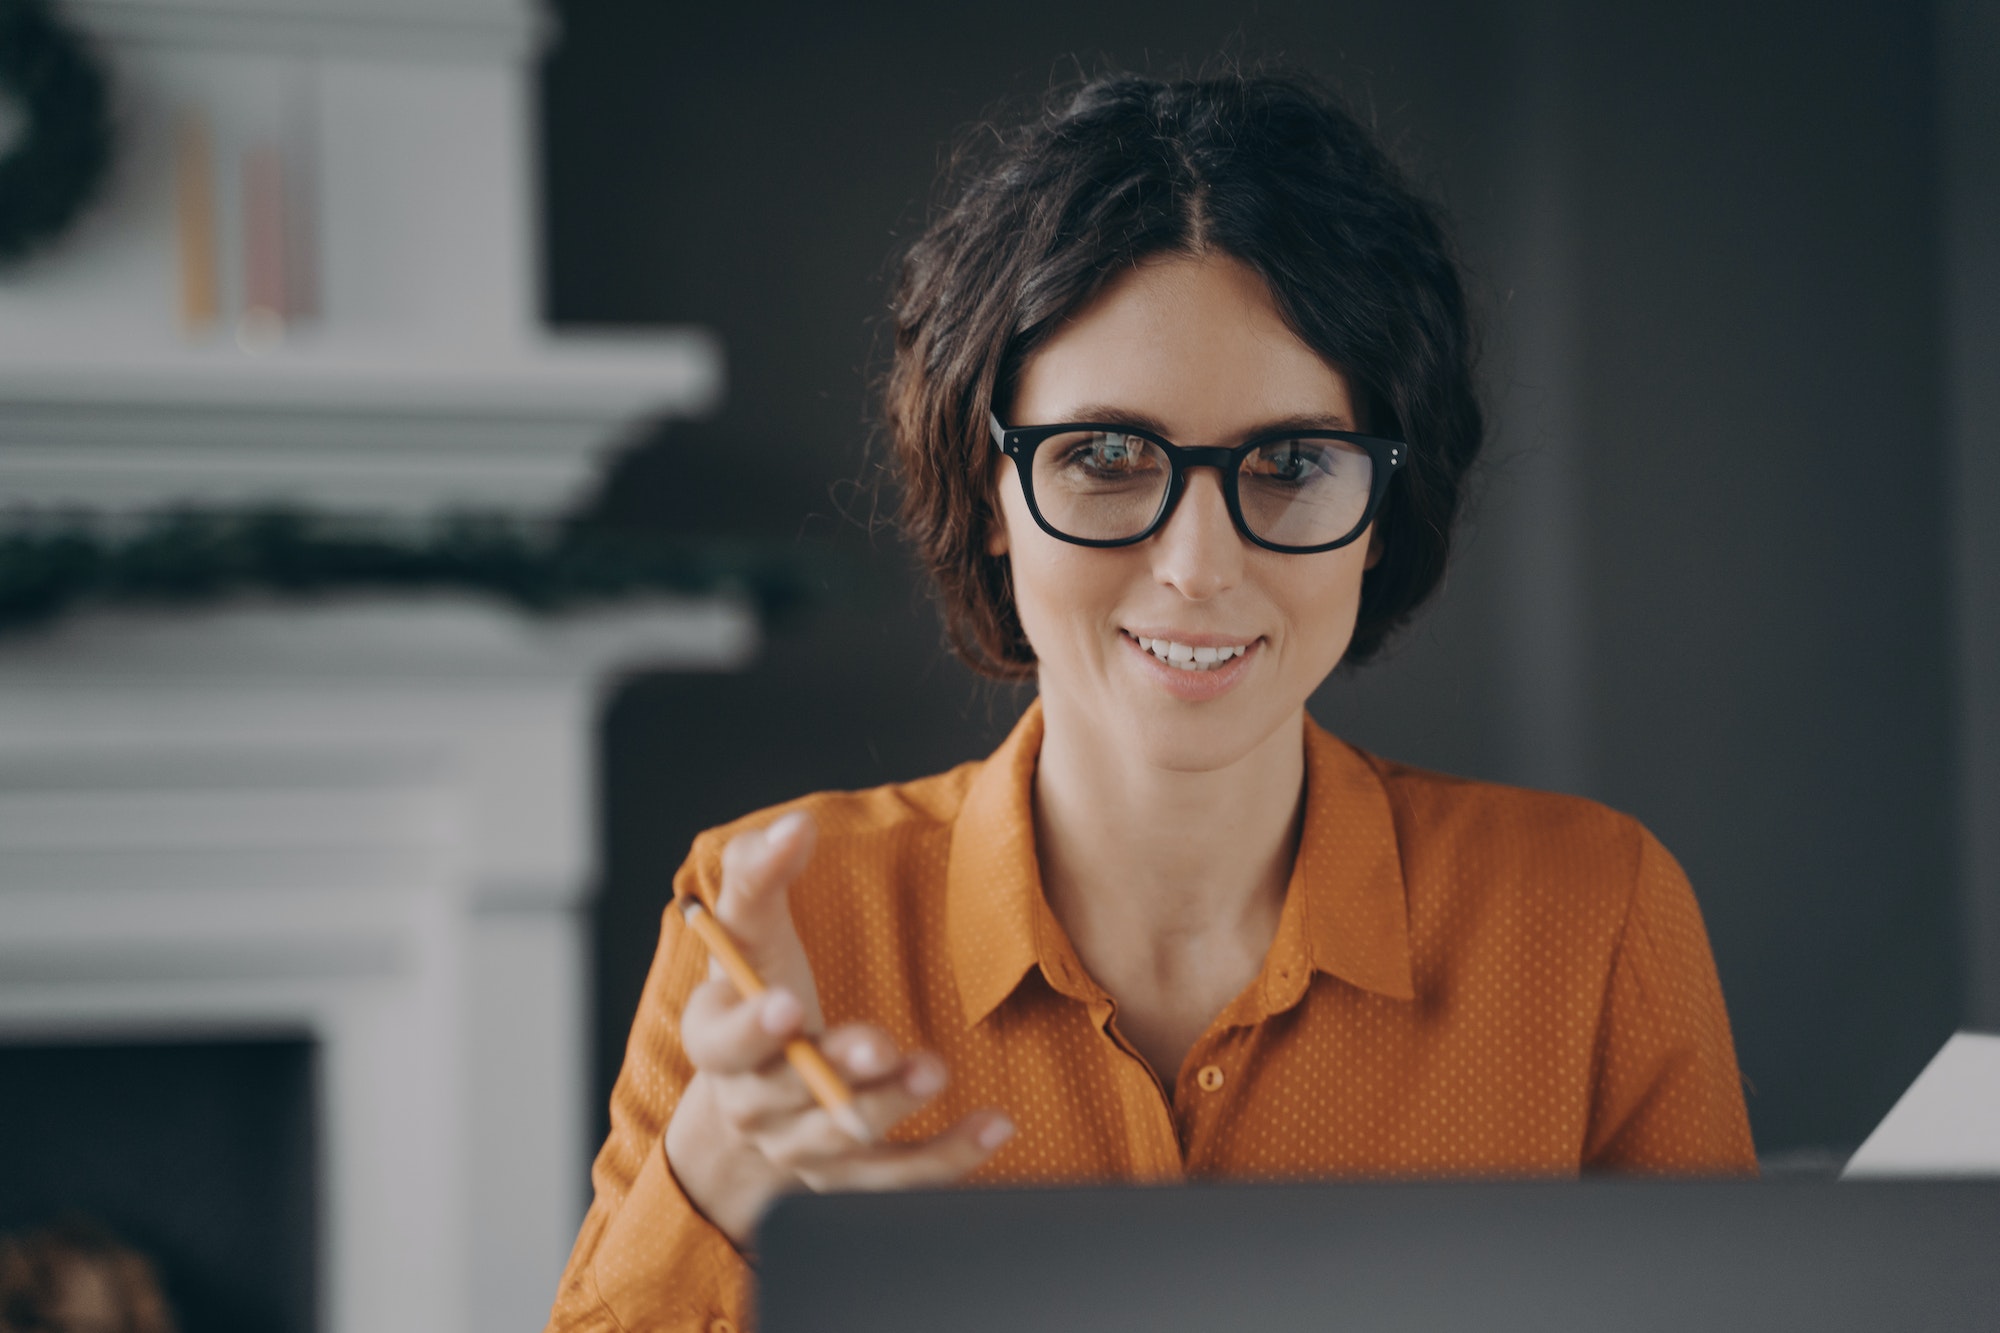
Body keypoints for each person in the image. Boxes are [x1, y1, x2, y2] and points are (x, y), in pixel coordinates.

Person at [546, 67, 1756, 1333]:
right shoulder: (772, 931)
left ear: (1380, 524)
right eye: (1105, 458)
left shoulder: (1593, 919)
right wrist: (713, 1189)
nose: (1195, 566)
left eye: (1290, 462)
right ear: (991, 489)